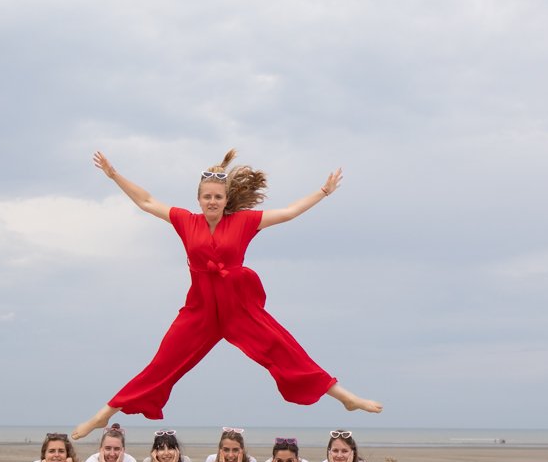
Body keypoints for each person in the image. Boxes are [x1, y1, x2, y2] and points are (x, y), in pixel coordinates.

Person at [71, 149, 383, 439]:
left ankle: (346, 398)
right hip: (201, 309)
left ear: (226, 198)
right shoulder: (185, 220)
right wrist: (114, 175)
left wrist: (323, 192)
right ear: (199, 199)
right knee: (163, 363)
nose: (212, 201)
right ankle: (104, 414)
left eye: (217, 197)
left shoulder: (244, 221)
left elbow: (288, 212)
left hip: (238, 306)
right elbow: (147, 201)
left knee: (283, 348)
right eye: (207, 196)